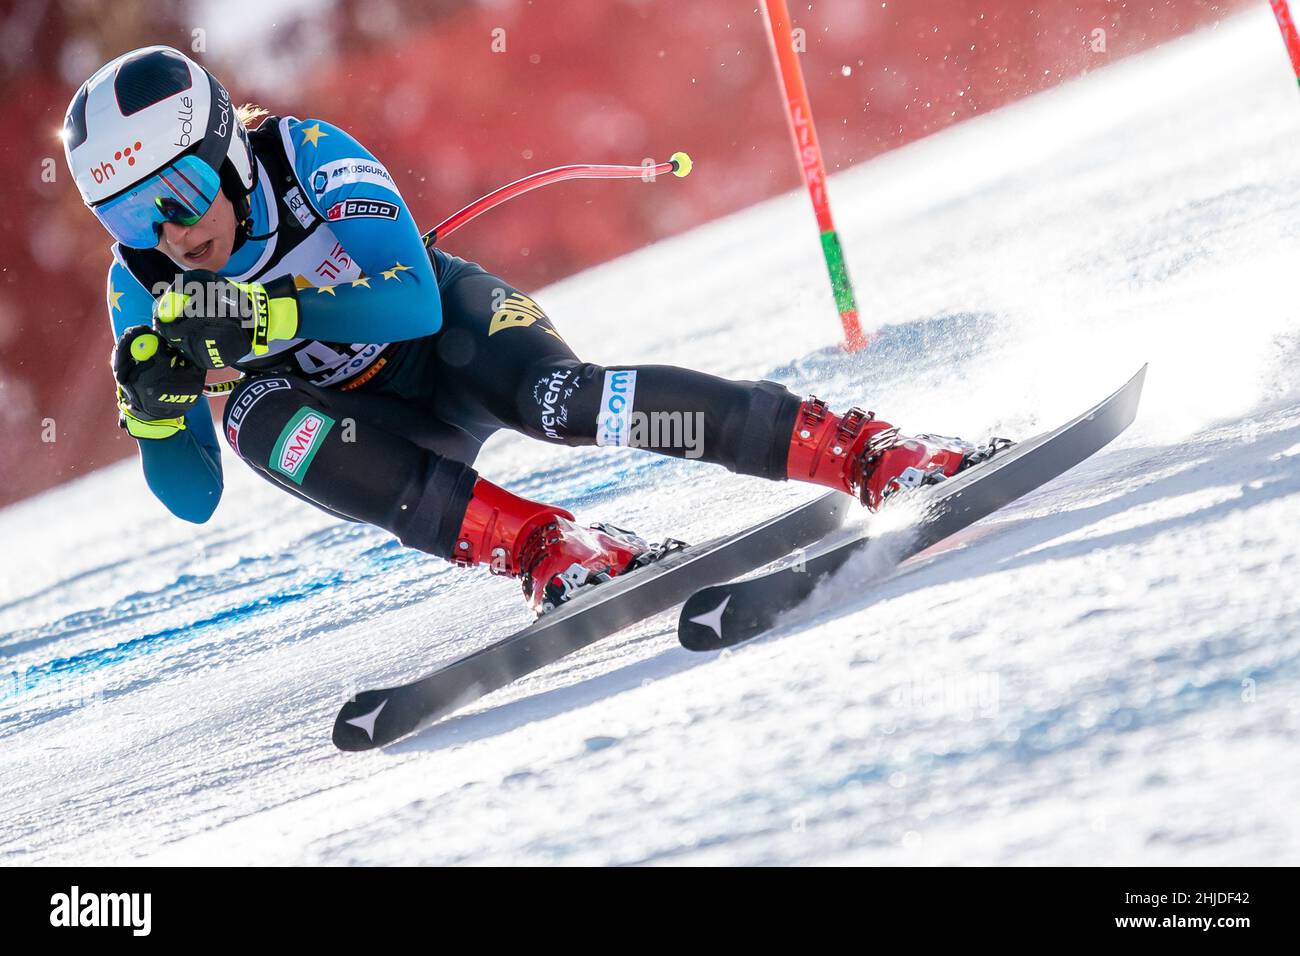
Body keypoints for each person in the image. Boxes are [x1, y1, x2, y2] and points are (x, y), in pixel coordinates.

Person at [64, 46, 993, 614]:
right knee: (255, 415)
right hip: (378, 433)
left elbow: (411, 302)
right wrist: (155, 409)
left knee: (566, 402)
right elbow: (191, 499)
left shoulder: (306, 157)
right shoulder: (141, 287)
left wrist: (269, 313)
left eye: (178, 194)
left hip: (454, 346)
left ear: (225, 149)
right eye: (130, 217)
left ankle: (858, 449)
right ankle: (549, 546)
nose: (172, 236)